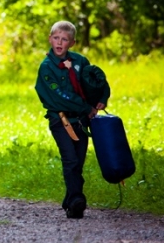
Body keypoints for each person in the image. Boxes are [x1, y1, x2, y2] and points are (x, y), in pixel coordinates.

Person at [35, 21, 110, 219]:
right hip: (61, 120)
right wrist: (87, 107)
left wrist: (102, 98)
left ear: (72, 43)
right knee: (70, 159)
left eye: (64, 39)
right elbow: (58, 95)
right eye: (56, 38)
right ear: (50, 39)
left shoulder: (79, 61)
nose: (60, 42)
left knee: (79, 161)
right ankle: (77, 199)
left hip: (81, 121)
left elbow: (95, 80)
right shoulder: (46, 68)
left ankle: (70, 201)